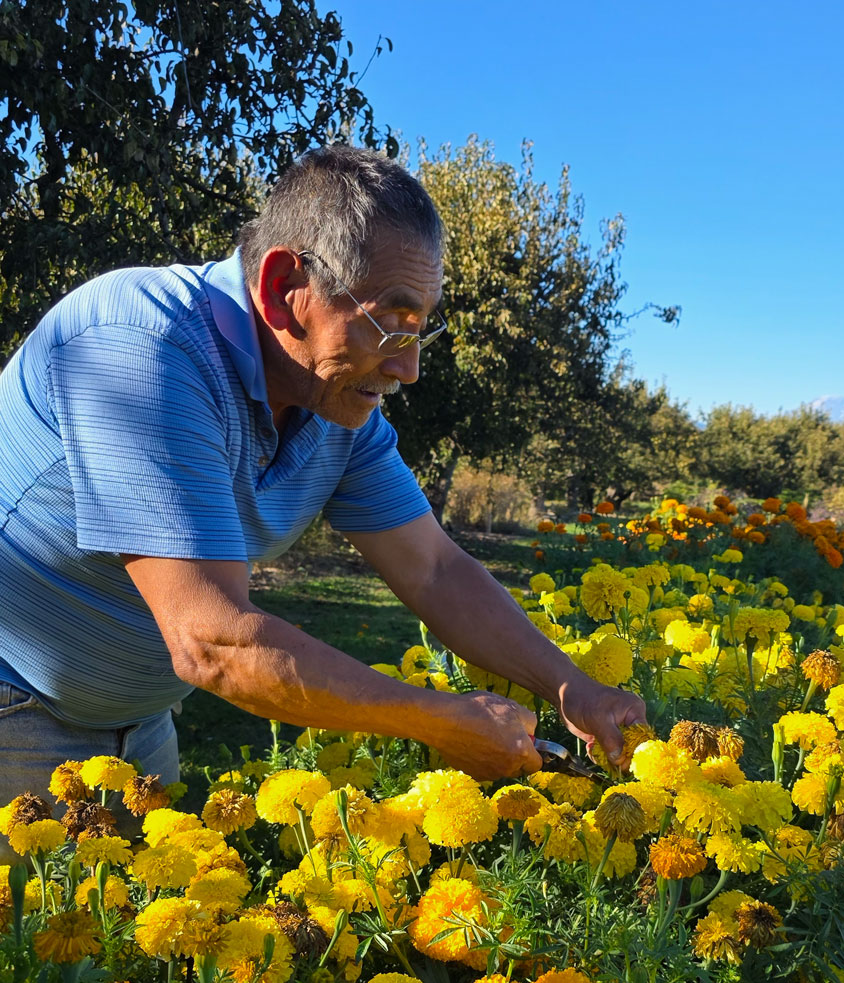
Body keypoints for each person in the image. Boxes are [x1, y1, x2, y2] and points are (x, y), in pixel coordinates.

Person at [0, 145, 646, 841]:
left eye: (421, 329)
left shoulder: (336, 403)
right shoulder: (138, 349)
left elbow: (435, 568)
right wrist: (438, 720)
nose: (409, 367)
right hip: (20, 710)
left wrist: (569, 685)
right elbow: (214, 641)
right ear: (285, 287)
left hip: (140, 725)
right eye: (389, 323)